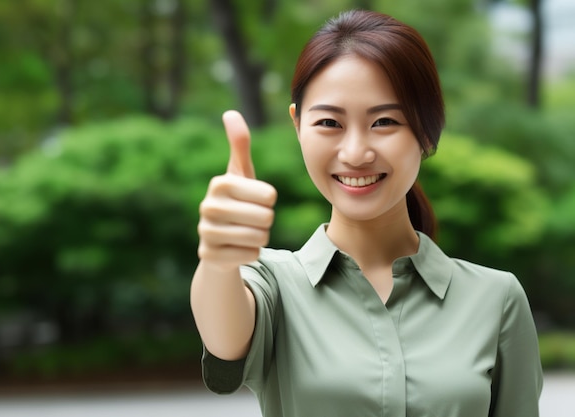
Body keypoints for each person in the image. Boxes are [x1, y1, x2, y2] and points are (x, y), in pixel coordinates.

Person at [190, 9, 543, 417]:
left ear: (427, 130)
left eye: (384, 121)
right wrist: (217, 259)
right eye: (328, 122)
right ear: (297, 125)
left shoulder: (496, 299)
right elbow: (224, 332)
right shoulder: (273, 286)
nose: (356, 153)